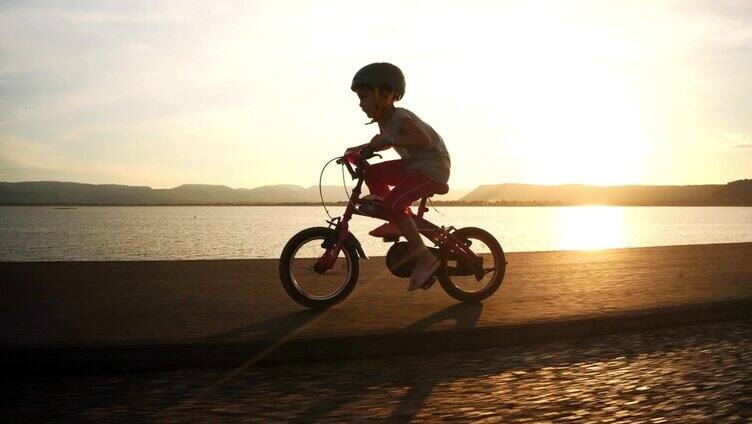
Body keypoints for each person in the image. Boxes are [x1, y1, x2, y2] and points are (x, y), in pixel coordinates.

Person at [346, 62, 451, 291]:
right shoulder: (385, 121)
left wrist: (389, 140)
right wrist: (356, 150)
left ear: (384, 95)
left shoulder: (400, 116)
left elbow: (421, 140)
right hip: (414, 166)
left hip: (432, 168)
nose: (361, 104)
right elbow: (384, 143)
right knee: (373, 173)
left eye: (364, 97)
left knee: (393, 203)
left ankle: (425, 258)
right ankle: (396, 217)